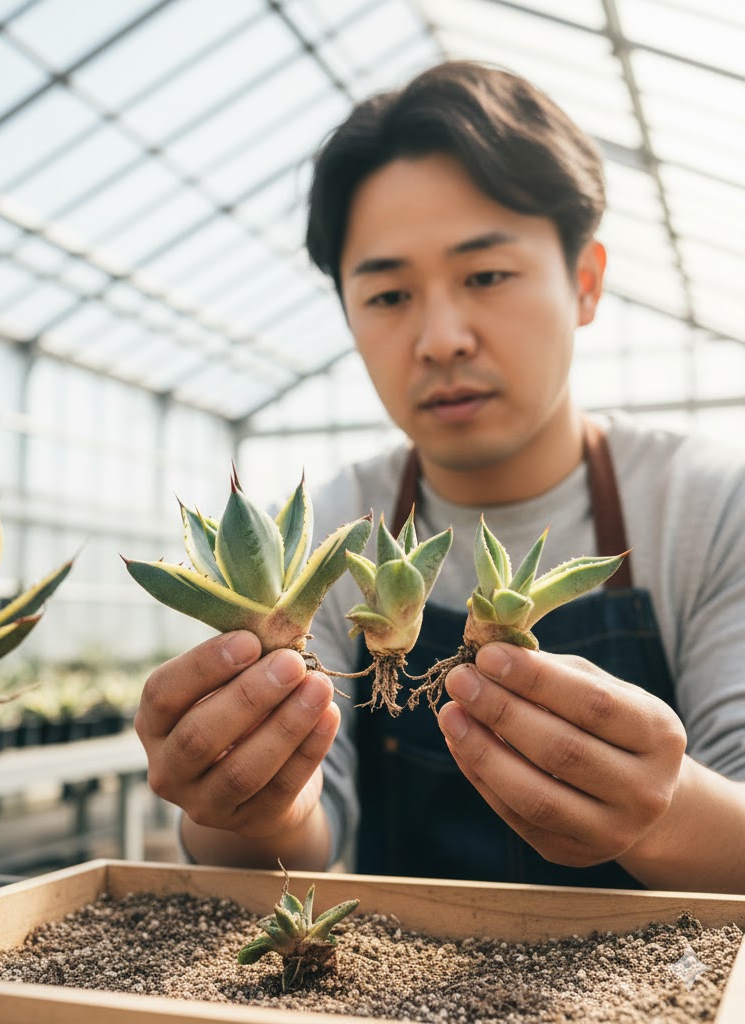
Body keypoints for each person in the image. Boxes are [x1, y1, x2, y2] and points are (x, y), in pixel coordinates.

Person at [135, 60, 745, 893]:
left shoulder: (709, 506)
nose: (441, 338)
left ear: (586, 282)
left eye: (486, 275)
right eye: (388, 295)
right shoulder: (331, 528)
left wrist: (666, 811)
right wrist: (245, 803)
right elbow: (302, 838)